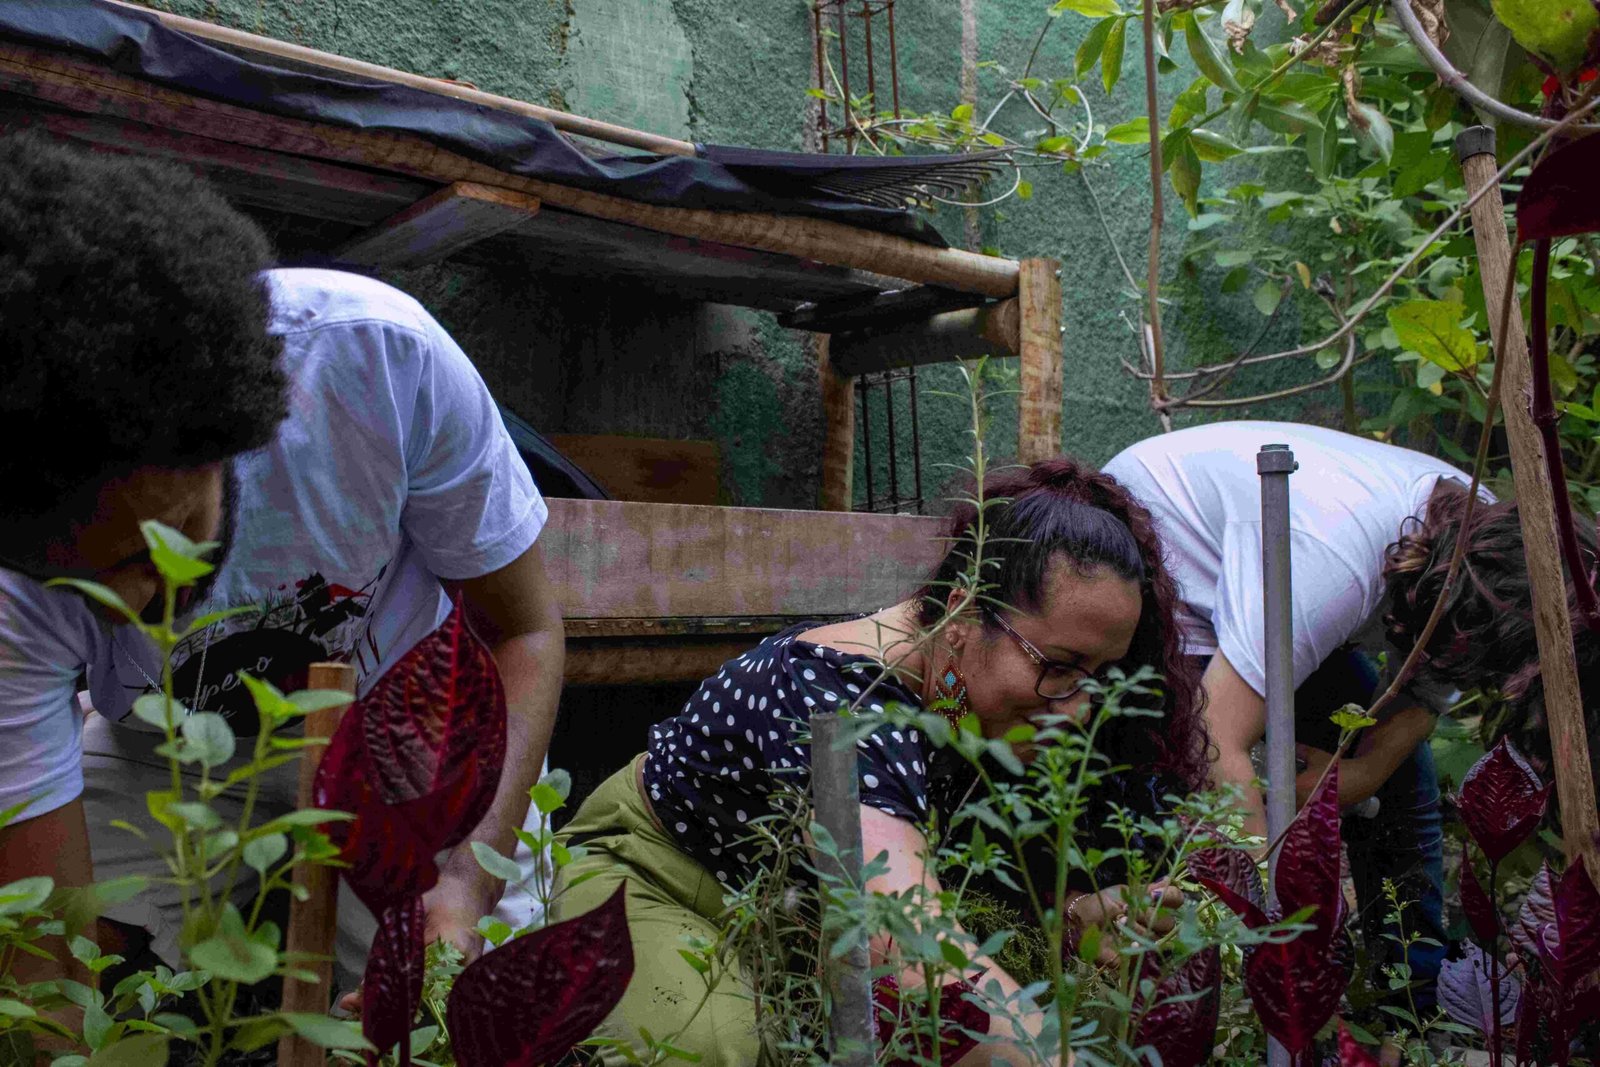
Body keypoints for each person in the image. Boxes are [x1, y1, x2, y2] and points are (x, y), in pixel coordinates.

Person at [0, 136, 565, 992]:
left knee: (466, 1003)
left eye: (148, 552)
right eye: (76, 577)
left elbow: (524, 629)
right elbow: (42, 958)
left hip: (407, 760)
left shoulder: (373, 361)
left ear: (225, 432)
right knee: (70, 954)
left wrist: (466, 879)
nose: (127, 606)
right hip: (168, 755)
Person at [546, 459, 1209, 1065]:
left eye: (1100, 677)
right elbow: (910, 947)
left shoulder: (971, 700)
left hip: (797, 928)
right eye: (1060, 667)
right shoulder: (838, 697)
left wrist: (1069, 921)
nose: (1080, 710)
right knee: (724, 1049)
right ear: (963, 614)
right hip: (655, 885)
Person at [1103, 419, 1578, 1003]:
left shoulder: (1495, 551)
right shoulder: (1330, 566)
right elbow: (1215, 738)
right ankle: (1194, 984)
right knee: (1189, 770)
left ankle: (1415, 993)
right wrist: (1277, 941)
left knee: (1406, 781)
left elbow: (1421, 696)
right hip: (1164, 550)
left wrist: (1358, 775)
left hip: (1280, 558)